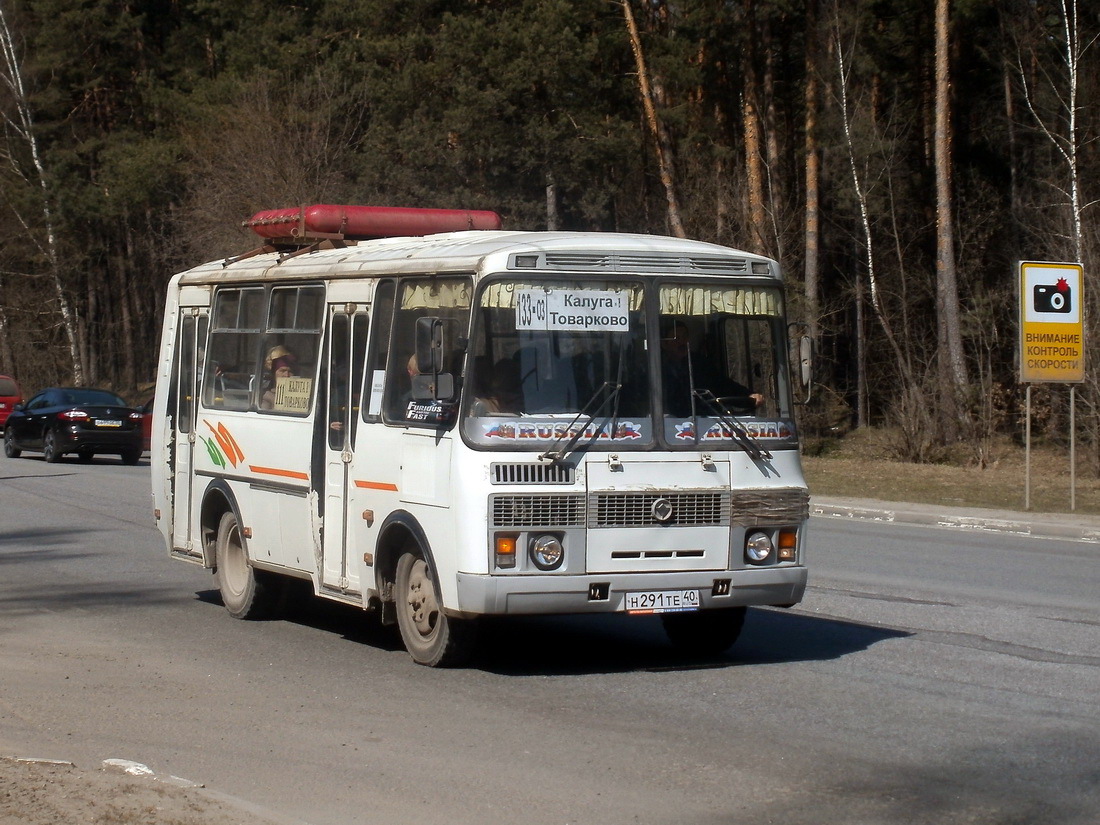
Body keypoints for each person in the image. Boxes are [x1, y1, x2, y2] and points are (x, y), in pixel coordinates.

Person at [661, 320, 762, 416]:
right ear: (664, 344)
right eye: (676, 338)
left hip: (705, 423)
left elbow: (723, 385)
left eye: (684, 337)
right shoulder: (655, 369)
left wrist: (748, 396)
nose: (682, 342)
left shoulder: (700, 364)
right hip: (670, 426)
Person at [261, 345, 297, 410]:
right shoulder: (267, 396)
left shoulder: (300, 395)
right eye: (282, 371)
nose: (287, 375)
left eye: (290, 371)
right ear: (273, 373)